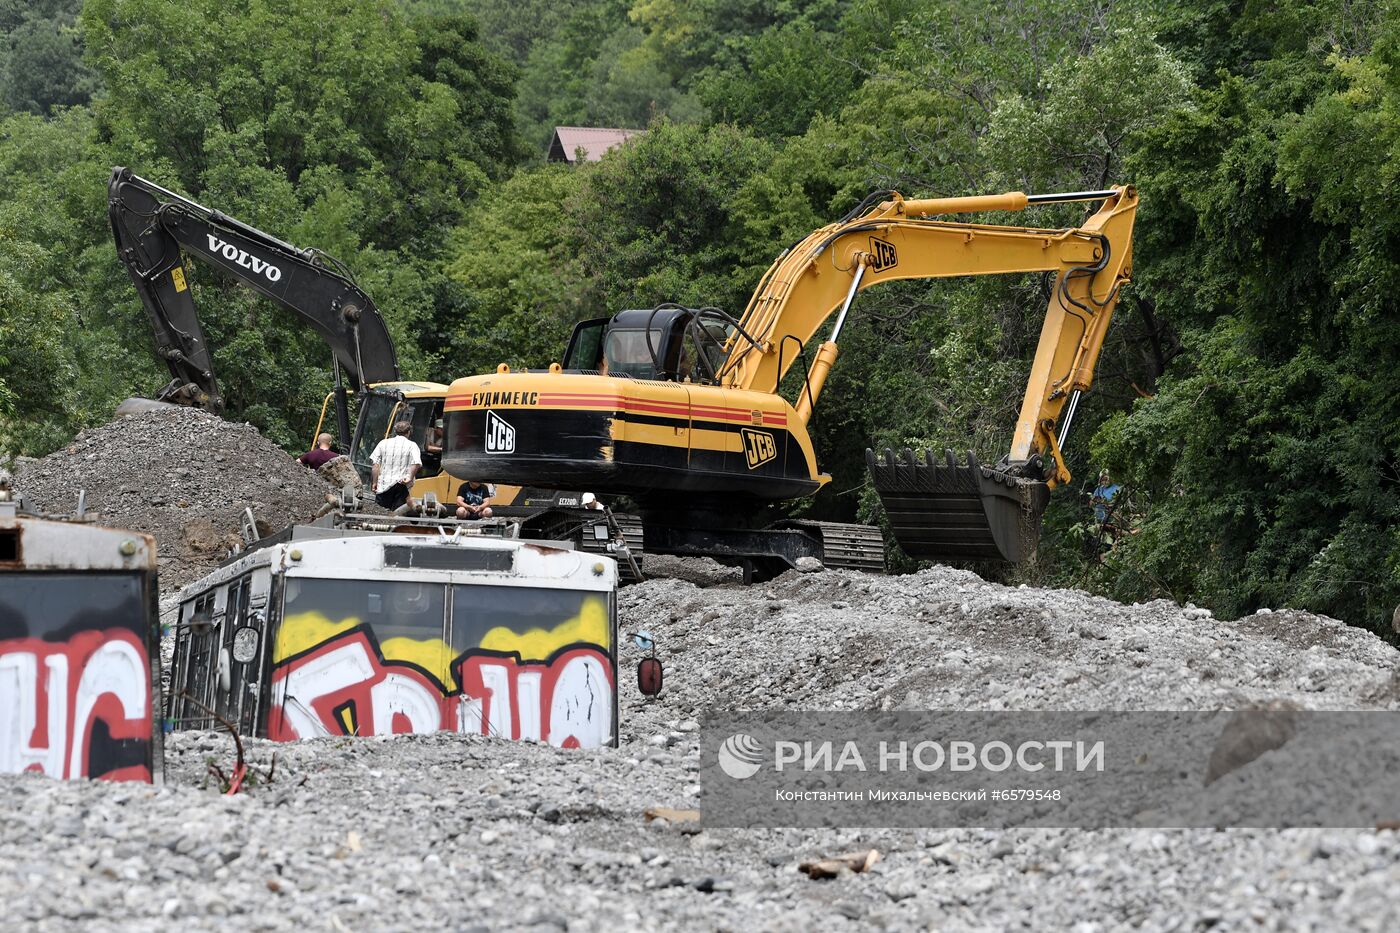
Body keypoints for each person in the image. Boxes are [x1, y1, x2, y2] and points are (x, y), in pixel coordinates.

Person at [370, 420, 421, 511]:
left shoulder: (383, 443)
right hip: (401, 485)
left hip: (383, 485)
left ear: (395, 431)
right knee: (398, 513)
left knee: (380, 513)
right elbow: (416, 463)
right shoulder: (412, 445)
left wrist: (374, 482)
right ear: (408, 432)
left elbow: (375, 465)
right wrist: (409, 477)